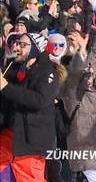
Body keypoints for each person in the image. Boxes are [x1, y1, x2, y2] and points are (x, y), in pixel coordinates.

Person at [59, 24, 96, 181]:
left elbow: (91, 65)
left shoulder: (82, 69)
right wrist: (82, 50)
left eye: (78, 39)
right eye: (70, 40)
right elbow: (80, 72)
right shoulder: (64, 73)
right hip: (81, 139)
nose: (74, 43)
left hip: (90, 136)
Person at [0, 32, 57, 182]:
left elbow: (40, 100)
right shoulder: (14, 68)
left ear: (35, 49)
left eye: (23, 45)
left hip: (31, 140)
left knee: (29, 177)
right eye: (17, 43)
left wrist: (6, 88)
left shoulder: (47, 72)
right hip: (10, 133)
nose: (17, 47)